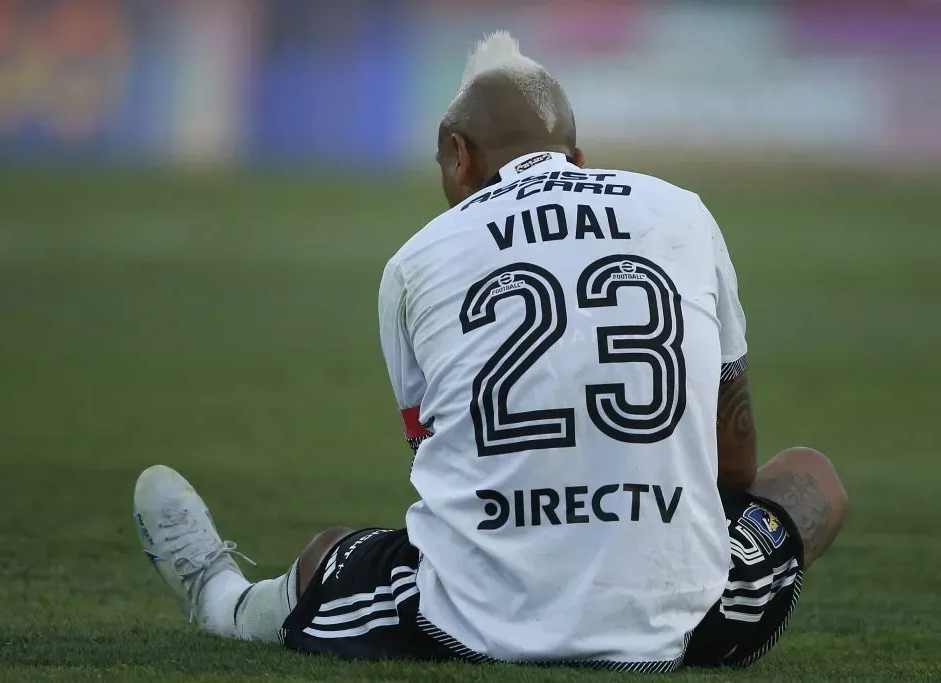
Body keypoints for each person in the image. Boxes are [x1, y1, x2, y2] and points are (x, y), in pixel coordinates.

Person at [132, 31, 848, 670]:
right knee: (811, 479)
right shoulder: (684, 212)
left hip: (483, 622)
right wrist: (663, 536)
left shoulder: (417, 262)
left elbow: (442, 467)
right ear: (578, 157)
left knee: (331, 555)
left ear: (457, 152)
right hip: (692, 625)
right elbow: (737, 450)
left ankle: (218, 598)